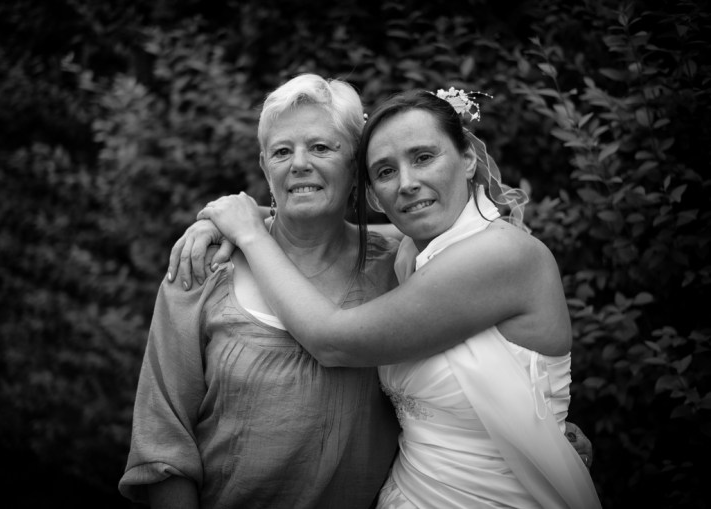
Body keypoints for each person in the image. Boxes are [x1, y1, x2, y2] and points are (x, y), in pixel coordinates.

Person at [196, 88, 602, 508]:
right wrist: (233, 221)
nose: (406, 183)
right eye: (386, 171)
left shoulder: (501, 255)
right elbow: (323, 231)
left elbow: (332, 341)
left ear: (468, 159)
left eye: (423, 157)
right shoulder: (415, 248)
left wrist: (249, 234)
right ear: (374, 193)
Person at [118, 74, 402, 508]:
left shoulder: (399, 264)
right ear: (265, 168)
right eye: (282, 152)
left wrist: (245, 222)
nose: (299, 164)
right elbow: (163, 440)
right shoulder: (202, 266)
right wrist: (229, 223)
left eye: (320, 147)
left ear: (356, 163)